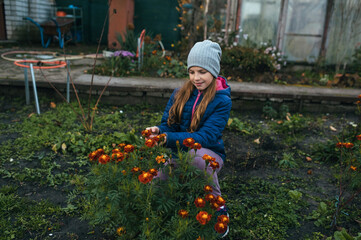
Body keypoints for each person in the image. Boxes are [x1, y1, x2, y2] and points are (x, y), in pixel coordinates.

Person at [147, 40, 231, 222]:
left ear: (214, 72)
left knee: (200, 160)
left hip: (209, 154)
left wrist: (167, 138)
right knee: (155, 187)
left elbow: (206, 137)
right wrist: (158, 130)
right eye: (192, 72)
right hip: (180, 152)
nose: (196, 78)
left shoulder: (222, 101)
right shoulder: (179, 93)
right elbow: (168, 125)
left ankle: (219, 208)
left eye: (202, 72)